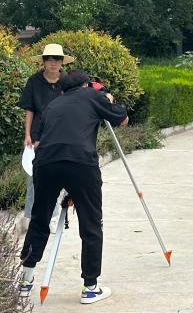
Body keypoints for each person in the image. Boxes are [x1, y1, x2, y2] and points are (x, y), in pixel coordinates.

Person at [19, 69, 129, 305]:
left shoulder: (52, 105)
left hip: (45, 164)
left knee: (39, 221)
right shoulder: (93, 96)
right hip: (80, 163)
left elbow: (40, 138)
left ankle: (25, 282)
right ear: (86, 85)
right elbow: (123, 119)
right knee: (91, 224)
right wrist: (108, 100)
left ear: (63, 90)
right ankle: (90, 287)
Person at [17, 43, 76, 233]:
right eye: (49, 59)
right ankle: (33, 216)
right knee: (35, 177)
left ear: (62, 62)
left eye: (57, 59)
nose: (53, 63)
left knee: (60, 175)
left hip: (62, 135)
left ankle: (55, 214)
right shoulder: (34, 81)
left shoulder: (67, 81)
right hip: (38, 136)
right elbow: (29, 109)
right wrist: (27, 134)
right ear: (43, 61)